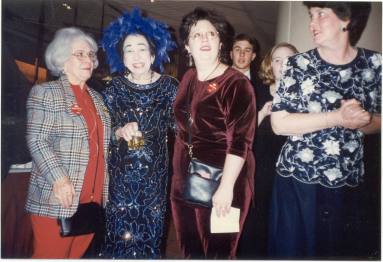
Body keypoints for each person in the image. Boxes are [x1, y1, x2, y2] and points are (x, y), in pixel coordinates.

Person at [269, 2, 381, 258]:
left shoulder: (374, 65)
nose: (312, 22)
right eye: (311, 15)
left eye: (321, 14)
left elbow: (378, 121)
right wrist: (337, 117)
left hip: (348, 182)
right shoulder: (297, 65)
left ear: (347, 19)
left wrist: (363, 120)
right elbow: (280, 123)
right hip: (298, 181)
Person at [171, 7, 256, 259]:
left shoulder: (237, 84)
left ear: (220, 42)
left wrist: (227, 187)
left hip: (222, 179)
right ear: (187, 45)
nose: (205, 39)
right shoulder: (187, 77)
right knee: (190, 249)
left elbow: (241, 141)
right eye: (197, 35)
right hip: (184, 179)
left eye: (211, 33)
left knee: (218, 252)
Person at [25, 27, 111, 258]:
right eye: (80, 54)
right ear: (63, 60)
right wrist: (59, 179)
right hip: (59, 197)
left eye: (91, 55)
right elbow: (37, 140)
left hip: (91, 200)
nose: (89, 60)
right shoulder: (46, 93)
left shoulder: (97, 98)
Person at [99, 8, 178, 259]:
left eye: (142, 48)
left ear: (153, 53)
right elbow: (102, 131)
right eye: (129, 49)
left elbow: (183, 126)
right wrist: (118, 131)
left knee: (150, 233)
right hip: (121, 177)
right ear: (121, 57)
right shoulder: (113, 89)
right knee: (118, 232)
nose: (136, 55)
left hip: (155, 177)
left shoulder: (169, 87)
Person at [238, 42, 298, 258]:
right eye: (277, 60)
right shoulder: (255, 91)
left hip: (289, 171)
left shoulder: (303, 95)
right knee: (254, 222)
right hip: (259, 168)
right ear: (270, 65)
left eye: (289, 60)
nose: (282, 65)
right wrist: (262, 113)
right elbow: (240, 132)